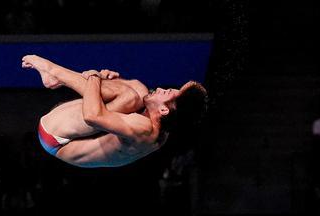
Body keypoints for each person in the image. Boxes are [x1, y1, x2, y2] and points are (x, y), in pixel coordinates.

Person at [22, 55, 207, 168]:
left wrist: (95, 77)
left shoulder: (144, 128)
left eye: (167, 93)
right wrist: (109, 80)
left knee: (128, 95)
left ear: (164, 109)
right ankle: (56, 78)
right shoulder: (163, 126)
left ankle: (53, 71)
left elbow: (92, 116)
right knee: (137, 90)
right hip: (70, 129)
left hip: (56, 138)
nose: (161, 88)